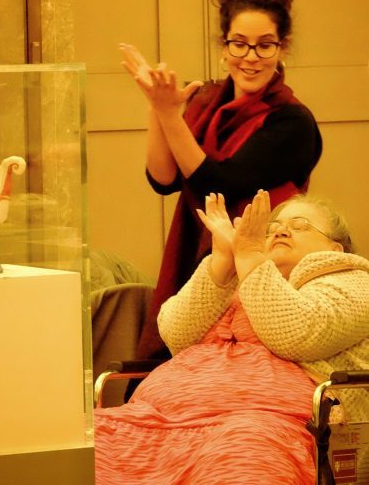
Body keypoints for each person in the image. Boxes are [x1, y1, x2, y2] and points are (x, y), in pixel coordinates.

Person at [120, 0, 323, 362]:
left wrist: (168, 115)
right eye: (239, 43)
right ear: (224, 45)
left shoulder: (292, 121)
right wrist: (156, 107)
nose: (251, 57)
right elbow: (163, 179)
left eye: (265, 44)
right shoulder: (207, 102)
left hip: (260, 272)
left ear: (282, 47)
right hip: (202, 264)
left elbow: (221, 183)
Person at [94, 190, 369, 484]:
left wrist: (251, 255)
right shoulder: (243, 275)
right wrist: (222, 260)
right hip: (157, 414)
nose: (281, 231)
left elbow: (298, 333)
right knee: (92, 442)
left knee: (241, 457)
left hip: (259, 420)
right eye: (271, 228)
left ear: (336, 249)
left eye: (300, 225)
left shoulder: (353, 281)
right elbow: (175, 335)